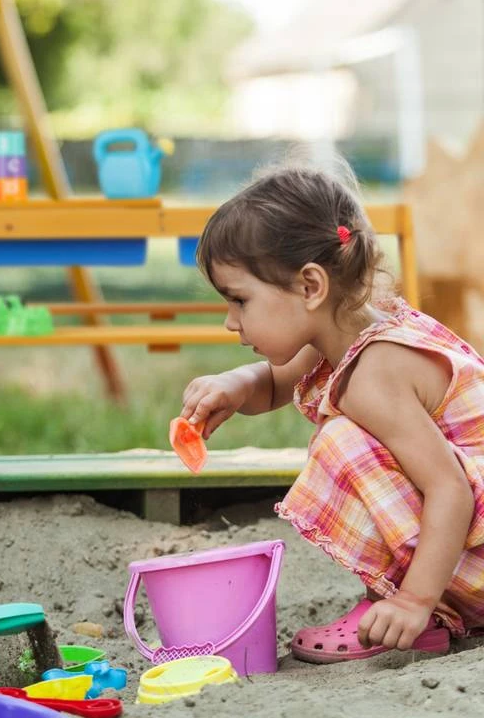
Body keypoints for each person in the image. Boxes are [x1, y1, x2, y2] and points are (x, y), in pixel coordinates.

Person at [180, 163, 484, 663]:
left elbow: (450, 488)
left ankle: (412, 609)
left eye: (239, 300)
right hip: (465, 542)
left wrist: (415, 601)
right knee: (348, 436)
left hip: (465, 544)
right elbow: (276, 382)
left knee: (342, 442)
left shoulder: (375, 375)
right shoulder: (346, 329)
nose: (230, 321)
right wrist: (233, 386)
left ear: (309, 287)